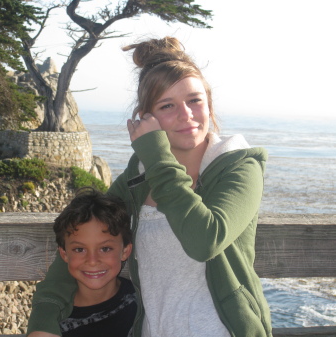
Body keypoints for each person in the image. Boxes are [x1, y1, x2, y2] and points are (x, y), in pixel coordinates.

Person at [26, 36, 272, 337]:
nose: (187, 115)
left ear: (208, 103)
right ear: (147, 116)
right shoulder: (139, 176)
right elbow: (81, 236)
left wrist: (155, 155)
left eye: (195, 100)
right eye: (168, 105)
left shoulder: (238, 166)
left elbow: (204, 240)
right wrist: (44, 324)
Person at [27, 187, 136, 337]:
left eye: (105, 249)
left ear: (125, 251)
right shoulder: (55, 322)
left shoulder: (141, 303)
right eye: (79, 249)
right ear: (64, 254)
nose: (92, 261)